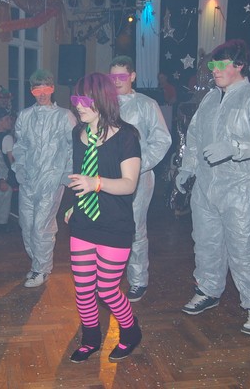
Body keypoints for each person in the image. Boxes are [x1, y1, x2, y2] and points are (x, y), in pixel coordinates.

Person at [175, 39, 250, 336]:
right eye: (212, 65)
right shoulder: (210, 99)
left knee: (243, 246)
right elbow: (194, 136)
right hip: (207, 185)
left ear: (240, 65)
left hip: (244, 187)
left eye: (221, 65)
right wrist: (187, 167)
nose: (214, 70)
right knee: (206, 241)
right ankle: (208, 290)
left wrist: (234, 147)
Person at [65, 73, 142, 363]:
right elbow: (80, 175)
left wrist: (95, 183)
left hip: (114, 225)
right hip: (84, 222)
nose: (78, 105)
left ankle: (131, 331)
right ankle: (91, 339)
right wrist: (75, 204)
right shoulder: (78, 134)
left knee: (107, 290)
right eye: (76, 99)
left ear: (102, 99)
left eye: (85, 100)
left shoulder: (126, 136)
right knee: (83, 290)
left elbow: (129, 184)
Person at [109, 56, 172, 302]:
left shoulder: (146, 104)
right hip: (108, 177)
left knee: (134, 228)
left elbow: (162, 139)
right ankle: (110, 278)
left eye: (122, 76)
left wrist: (138, 166)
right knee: (110, 227)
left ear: (132, 76)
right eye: (113, 77)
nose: (116, 81)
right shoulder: (105, 104)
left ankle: (137, 280)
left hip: (139, 178)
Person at [12, 69, 76, 288]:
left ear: (52, 89)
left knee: (42, 225)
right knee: (26, 224)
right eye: (36, 89)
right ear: (31, 91)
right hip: (28, 179)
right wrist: (19, 168)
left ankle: (42, 269)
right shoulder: (25, 116)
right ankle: (37, 263)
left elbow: (73, 147)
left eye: (45, 88)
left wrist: (66, 174)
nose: (41, 94)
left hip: (52, 179)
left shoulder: (64, 116)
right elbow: (20, 146)